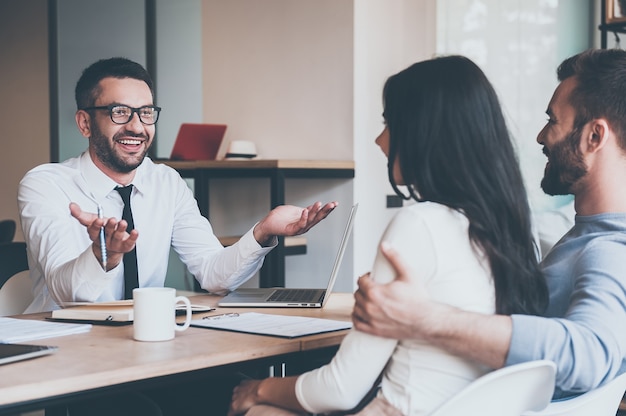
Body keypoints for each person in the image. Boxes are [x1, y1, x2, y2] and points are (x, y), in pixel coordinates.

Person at [228, 55, 548, 416]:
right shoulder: (518, 234)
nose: (380, 140)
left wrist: (258, 389)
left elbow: (338, 390)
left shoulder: (420, 224)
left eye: (388, 122)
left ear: (421, 131)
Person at [352, 48, 626, 400]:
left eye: (552, 121)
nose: (541, 136)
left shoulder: (609, 248)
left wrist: (425, 318)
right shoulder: (585, 235)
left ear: (594, 137)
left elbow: (589, 356)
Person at [17, 57, 336, 314]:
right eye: (119, 112)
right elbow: (64, 292)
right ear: (85, 123)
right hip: (68, 348)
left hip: (149, 339)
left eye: (145, 113)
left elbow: (214, 275)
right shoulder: (46, 184)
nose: (136, 126)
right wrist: (103, 257)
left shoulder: (166, 182)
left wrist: (263, 231)